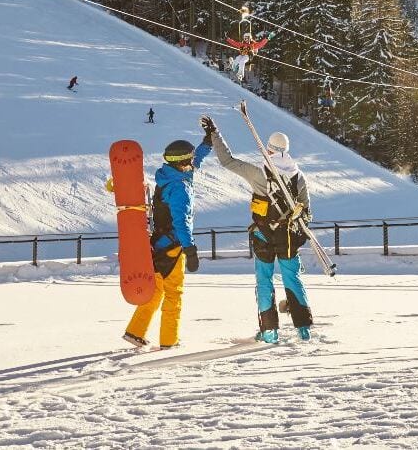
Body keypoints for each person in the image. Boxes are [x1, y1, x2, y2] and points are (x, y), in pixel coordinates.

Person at [202, 116, 313, 343]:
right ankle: (303, 329)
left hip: (263, 233)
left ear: (269, 149)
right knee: (292, 278)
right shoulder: (298, 177)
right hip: (288, 236)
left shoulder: (258, 172)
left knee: (264, 280)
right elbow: (306, 211)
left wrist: (214, 134)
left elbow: (227, 161)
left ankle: (269, 331)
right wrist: (299, 233)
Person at [123, 127, 212, 349]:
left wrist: (207, 143)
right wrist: (190, 249)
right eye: (189, 159)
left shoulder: (168, 176)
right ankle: (169, 341)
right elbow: (181, 222)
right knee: (174, 294)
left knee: (156, 290)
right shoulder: (180, 188)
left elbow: (196, 160)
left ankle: (135, 331)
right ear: (182, 162)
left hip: (158, 244)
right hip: (173, 247)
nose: (193, 162)